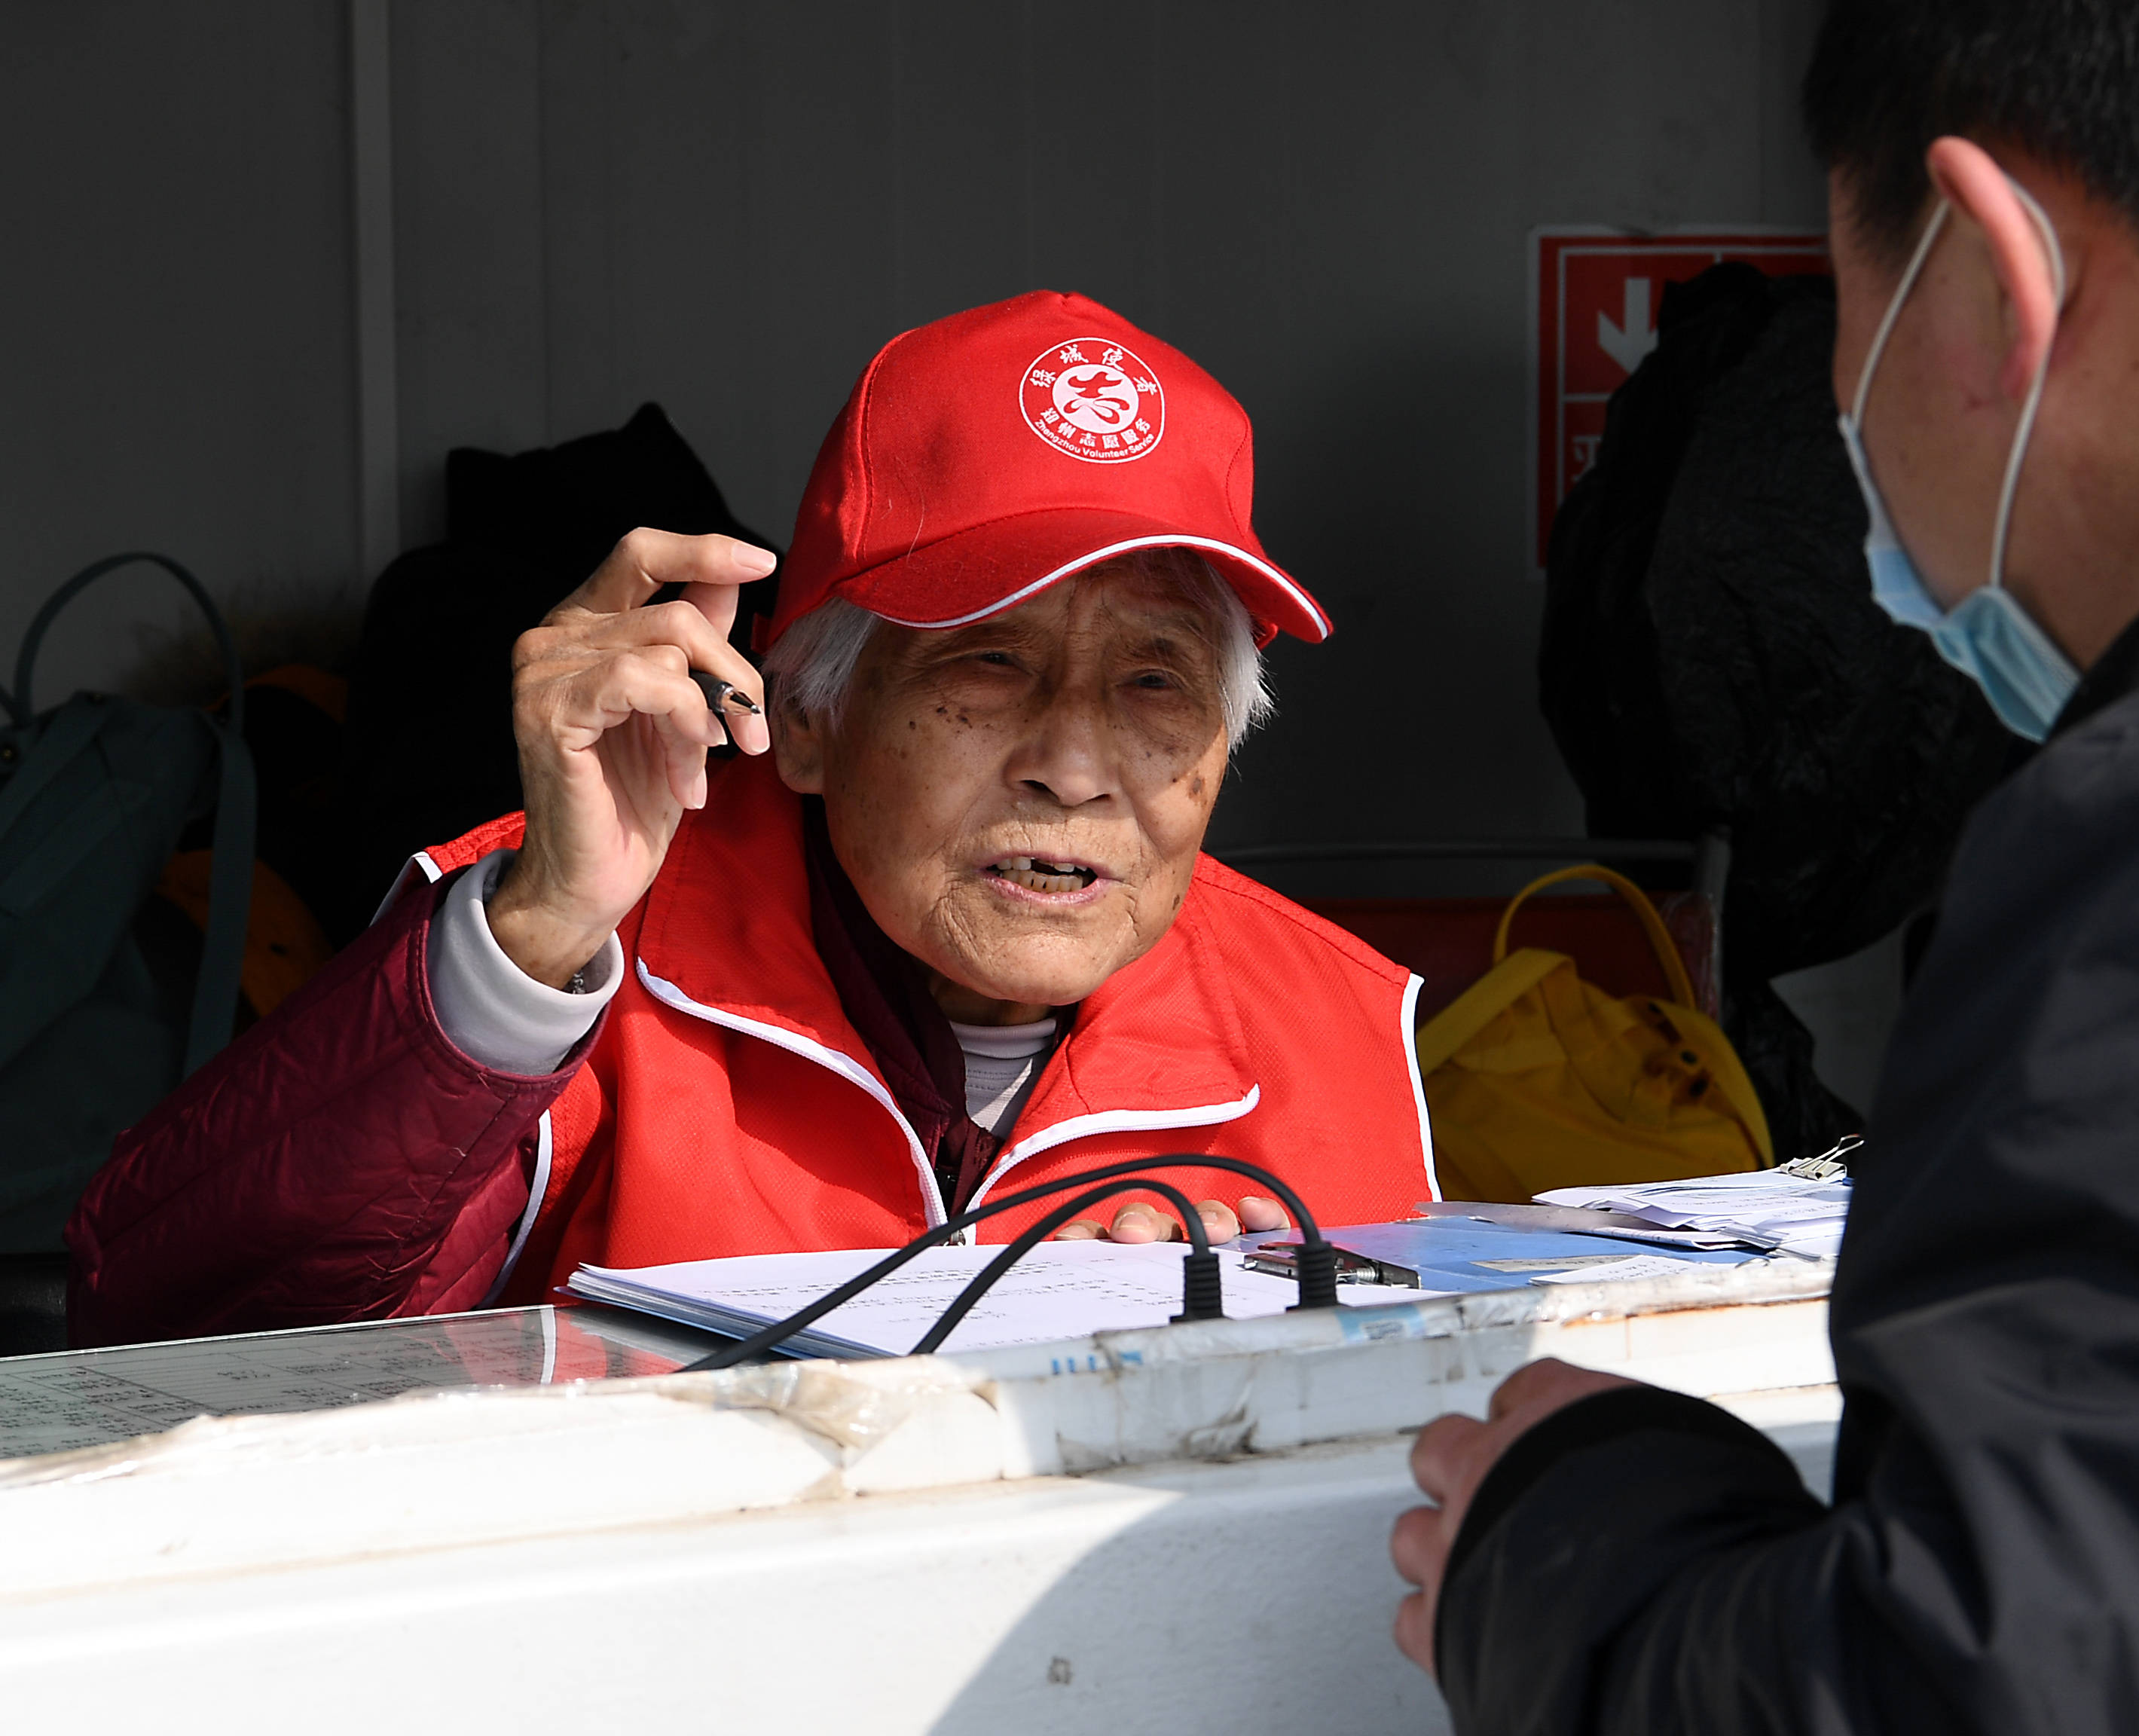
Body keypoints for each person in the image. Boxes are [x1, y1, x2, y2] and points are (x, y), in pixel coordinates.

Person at [1391, 2, 2139, 1728]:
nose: (1858, 462)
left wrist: (1583, 1539)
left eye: (1845, 339)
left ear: (1996, 281)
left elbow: (2030, 1684)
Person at [68, 292, 1437, 1344]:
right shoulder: (548, 950)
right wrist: (537, 934)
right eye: (987, 661)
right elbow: (182, 1349)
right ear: (813, 715)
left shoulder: (1331, 1023)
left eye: (1155, 683)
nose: (1074, 769)